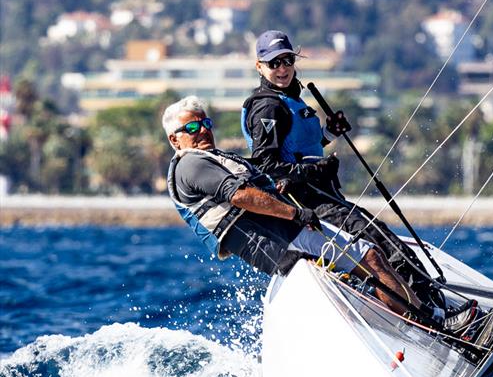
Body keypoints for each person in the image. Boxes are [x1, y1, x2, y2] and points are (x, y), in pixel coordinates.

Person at [162, 95, 476, 332]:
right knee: (364, 262)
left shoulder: (211, 158)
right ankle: (431, 323)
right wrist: (297, 215)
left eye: (206, 124)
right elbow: (242, 195)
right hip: (275, 238)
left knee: (365, 261)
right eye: (191, 127)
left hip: (281, 232)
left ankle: (418, 321)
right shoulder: (191, 163)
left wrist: (322, 141)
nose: (202, 130)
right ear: (174, 138)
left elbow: (257, 180)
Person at [241, 30, 440, 307]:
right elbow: (266, 166)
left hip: (322, 194)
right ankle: (431, 309)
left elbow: (300, 149)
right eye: (274, 63)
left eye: (287, 60)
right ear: (259, 66)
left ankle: (426, 302)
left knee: (379, 237)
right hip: (307, 199)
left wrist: (329, 134)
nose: (282, 69)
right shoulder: (267, 107)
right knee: (379, 242)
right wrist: (317, 170)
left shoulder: (289, 99)